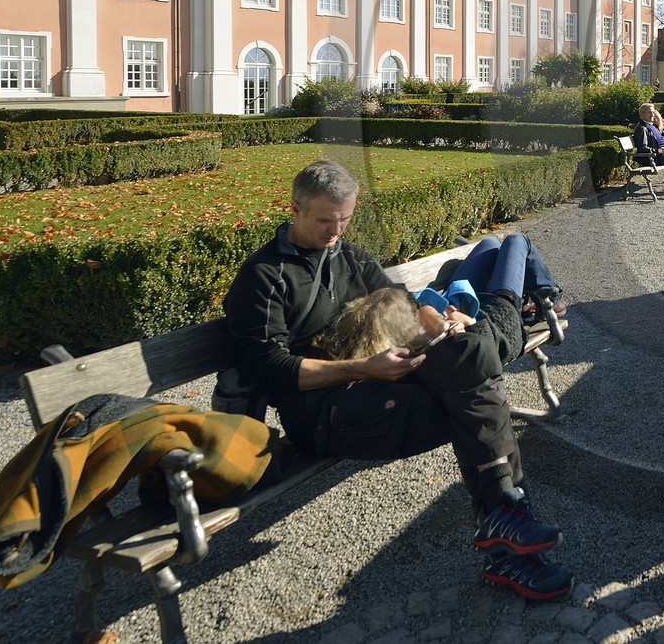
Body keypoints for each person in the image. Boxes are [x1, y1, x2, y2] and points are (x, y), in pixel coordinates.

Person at [223, 160, 574, 601]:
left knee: (471, 355)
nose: (335, 231)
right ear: (293, 209)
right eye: (324, 221)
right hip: (323, 413)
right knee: (474, 402)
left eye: (344, 220)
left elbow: (403, 303)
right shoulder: (263, 277)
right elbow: (267, 368)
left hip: (378, 380)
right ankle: (508, 535)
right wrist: (363, 368)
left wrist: (445, 323)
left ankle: (504, 517)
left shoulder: (347, 255)